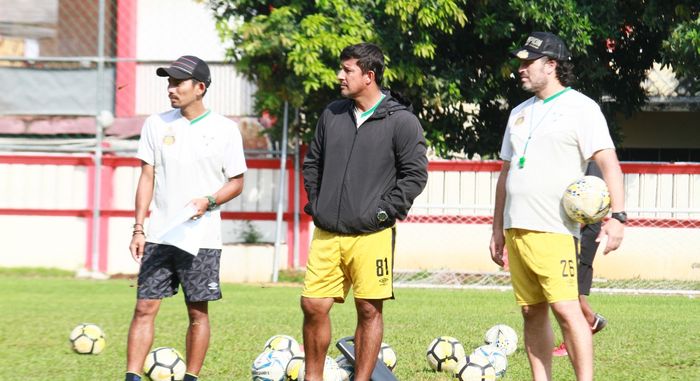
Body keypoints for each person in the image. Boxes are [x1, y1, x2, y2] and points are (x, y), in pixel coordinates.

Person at [489, 32, 626, 381]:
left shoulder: (582, 108)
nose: (520, 69)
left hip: (555, 229)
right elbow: (506, 173)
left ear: (551, 66)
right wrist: (496, 229)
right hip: (516, 228)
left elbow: (609, 163)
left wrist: (619, 217)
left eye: (528, 62)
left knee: (567, 311)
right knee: (531, 313)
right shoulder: (518, 113)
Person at [301, 42, 428, 381]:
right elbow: (312, 162)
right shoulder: (332, 114)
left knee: (369, 309)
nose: (340, 76)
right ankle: (312, 377)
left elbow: (415, 175)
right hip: (328, 232)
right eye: (341, 69)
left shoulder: (402, 121)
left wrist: (383, 213)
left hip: (373, 235)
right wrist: (317, 203)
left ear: (369, 76)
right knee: (313, 305)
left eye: (348, 71)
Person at [125, 55, 247, 381]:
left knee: (197, 312)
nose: (171, 88)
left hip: (201, 237)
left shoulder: (225, 130)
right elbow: (146, 177)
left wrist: (208, 201)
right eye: (168, 82)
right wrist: (139, 228)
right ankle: (132, 377)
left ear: (200, 87)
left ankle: (191, 376)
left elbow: (236, 183)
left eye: (178, 82)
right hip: (159, 236)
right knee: (144, 308)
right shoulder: (156, 124)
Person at [553, 161, 608, 357]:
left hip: (584, 231)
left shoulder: (590, 164)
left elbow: (588, 204)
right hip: (580, 231)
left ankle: (585, 328)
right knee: (571, 289)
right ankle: (592, 321)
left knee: (569, 290)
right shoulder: (581, 161)